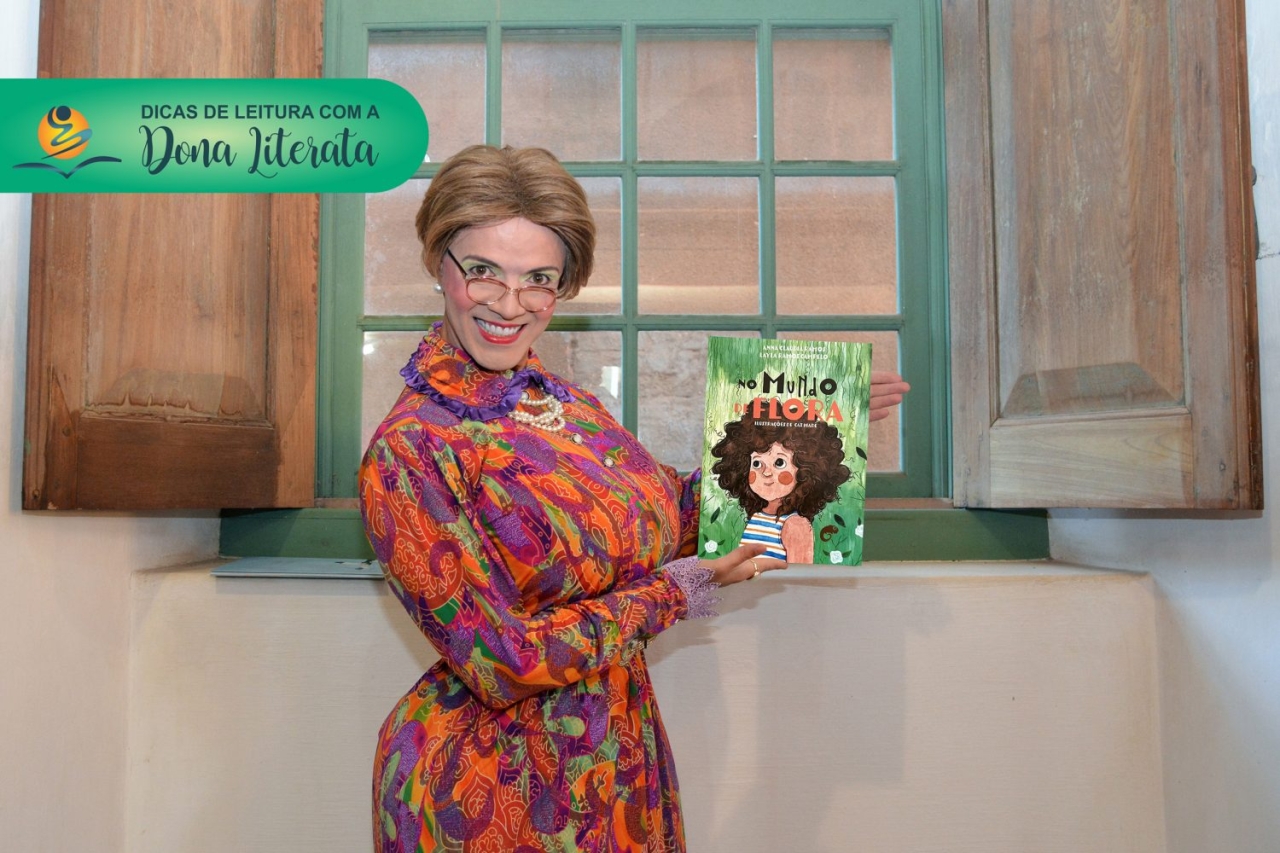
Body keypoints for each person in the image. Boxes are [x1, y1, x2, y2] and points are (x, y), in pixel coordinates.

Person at [358, 144, 909, 853]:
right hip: (488, 793)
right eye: (483, 271)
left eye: (539, 279)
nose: (509, 303)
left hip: (616, 769)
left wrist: (801, 426)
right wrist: (679, 591)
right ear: (440, 265)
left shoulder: (570, 407)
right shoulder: (411, 450)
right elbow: (505, 661)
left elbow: (671, 518)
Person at [710, 411, 852, 563]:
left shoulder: (795, 525)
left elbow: (800, 571)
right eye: (757, 463)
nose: (766, 472)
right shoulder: (757, 516)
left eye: (779, 463)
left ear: (805, 472)